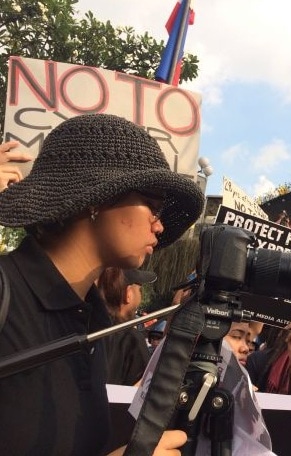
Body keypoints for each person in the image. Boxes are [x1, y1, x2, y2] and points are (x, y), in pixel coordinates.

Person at [0, 113, 204, 455]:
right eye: (153, 207)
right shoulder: (9, 293)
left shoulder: (95, 323)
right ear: (96, 195)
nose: (159, 226)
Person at [98, 267, 157, 386]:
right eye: (139, 290)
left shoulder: (88, 329)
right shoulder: (132, 339)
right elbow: (142, 390)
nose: (140, 298)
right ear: (128, 294)